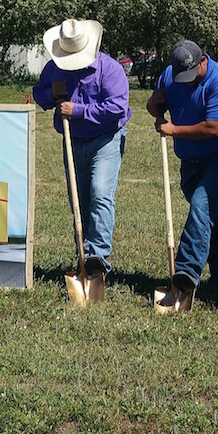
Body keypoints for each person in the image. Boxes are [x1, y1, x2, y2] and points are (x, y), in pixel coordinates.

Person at [146, 41, 218, 300]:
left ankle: (186, 273)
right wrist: (155, 103)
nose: (187, 81)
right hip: (191, 161)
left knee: (201, 206)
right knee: (205, 218)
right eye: (182, 77)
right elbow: (153, 106)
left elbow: (213, 128)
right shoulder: (171, 75)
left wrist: (173, 130)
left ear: (203, 61)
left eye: (191, 75)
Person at [31, 19, 129, 280]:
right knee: (79, 199)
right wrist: (51, 94)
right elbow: (38, 94)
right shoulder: (55, 69)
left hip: (105, 139)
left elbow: (117, 108)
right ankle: (84, 257)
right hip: (72, 141)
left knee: (100, 193)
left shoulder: (110, 69)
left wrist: (78, 110)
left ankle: (98, 257)